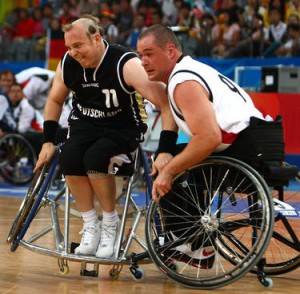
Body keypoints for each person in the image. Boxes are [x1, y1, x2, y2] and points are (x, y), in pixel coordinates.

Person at [34, 15, 176, 259]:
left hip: (124, 126)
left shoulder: (125, 63)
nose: (73, 52)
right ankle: (91, 225)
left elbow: (165, 104)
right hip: (86, 124)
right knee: (69, 155)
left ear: (97, 39)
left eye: (78, 45)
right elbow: (55, 100)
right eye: (69, 47)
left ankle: (110, 223)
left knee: (96, 157)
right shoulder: (68, 63)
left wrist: (165, 149)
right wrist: (47, 140)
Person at [136, 24, 275, 208]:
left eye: (149, 54)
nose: (143, 61)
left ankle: (186, 235)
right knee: (172, 156)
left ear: (170, 51)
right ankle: (191, 231)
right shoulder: (190, 69)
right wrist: (165, 150)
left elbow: (209, 137)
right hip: (264, 144)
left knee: (168, 168)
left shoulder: (183, 82)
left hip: (244, 154)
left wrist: (168, 171)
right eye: (140, 55)